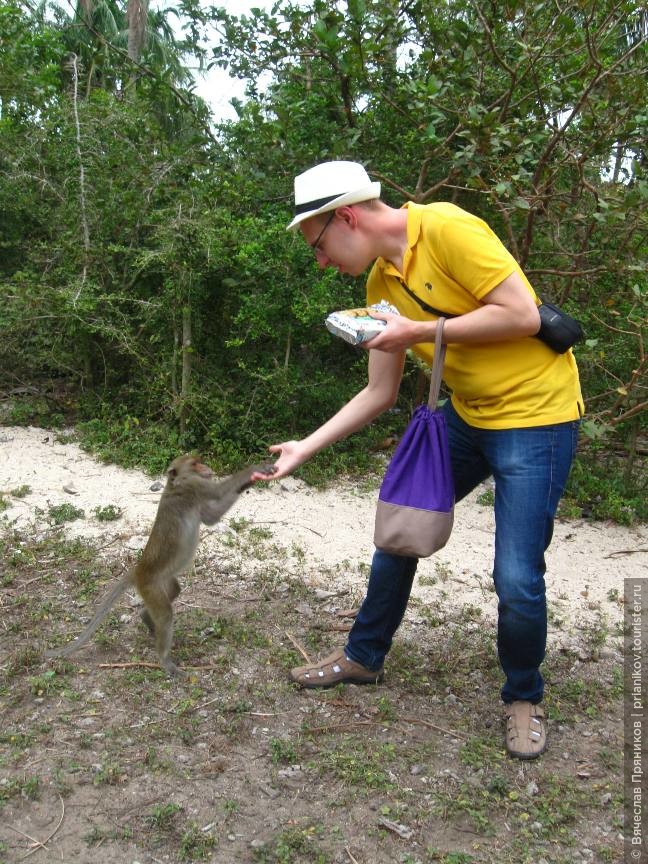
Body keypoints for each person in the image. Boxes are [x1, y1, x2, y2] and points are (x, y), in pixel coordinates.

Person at [257, 160, 583, 760]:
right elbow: (380, 392)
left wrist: (418, 331)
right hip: (467, 416)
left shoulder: (449, 229)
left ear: (347, 217)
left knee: (515, 578)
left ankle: (522, 697)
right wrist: (306, 445)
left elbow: (523, 315)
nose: (321, 261)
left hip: (537, 418)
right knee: (399, 528)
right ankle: (363, 657)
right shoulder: (380, 284)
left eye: (319, 245)